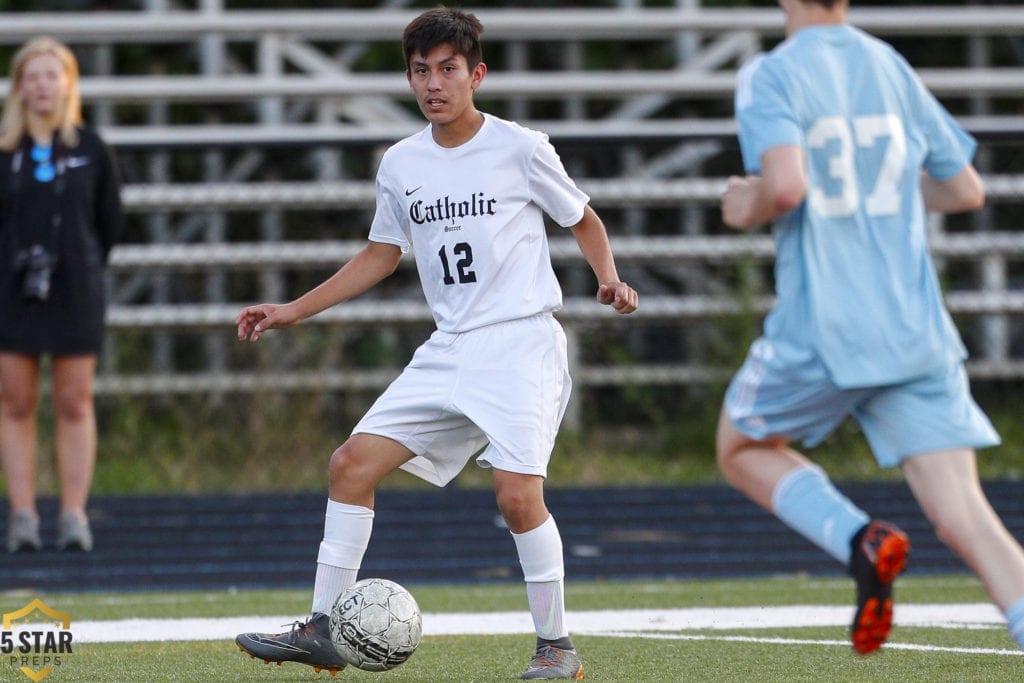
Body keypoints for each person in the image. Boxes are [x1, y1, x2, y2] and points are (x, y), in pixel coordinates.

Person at [234, 7, 637, 680]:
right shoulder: (401, 162)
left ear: (476, 74)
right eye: (421, 71)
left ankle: (556, 646)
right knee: (350, 465)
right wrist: (293, 310)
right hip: (450, 346)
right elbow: (380, 254)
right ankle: (324, 628)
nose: (433, 83)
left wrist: (610, 279)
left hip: (520, 343)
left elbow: (583, 218)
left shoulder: (521, 146)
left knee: (515, 495)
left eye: (448, 69)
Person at [718, 0, 1024, 656]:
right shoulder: (890, 64)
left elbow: (787, 188)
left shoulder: (771, 73)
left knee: (740, 446)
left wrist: (749, 204)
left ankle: (860, 538)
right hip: (911, 324)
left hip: (823, 326)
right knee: (968, 518)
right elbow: (965, 188)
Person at [0, 37, 122, 553]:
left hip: (75, 288)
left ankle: (74, 512)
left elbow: (108, 223)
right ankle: (23, 513)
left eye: (52, 75)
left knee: (74, 401)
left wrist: (82, 265)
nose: (42, 85)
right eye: (33, 76)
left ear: (67, 83)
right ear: (20, 87)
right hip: (11, 290)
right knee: (16, 402)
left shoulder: (91, 149)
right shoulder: (6, 152)